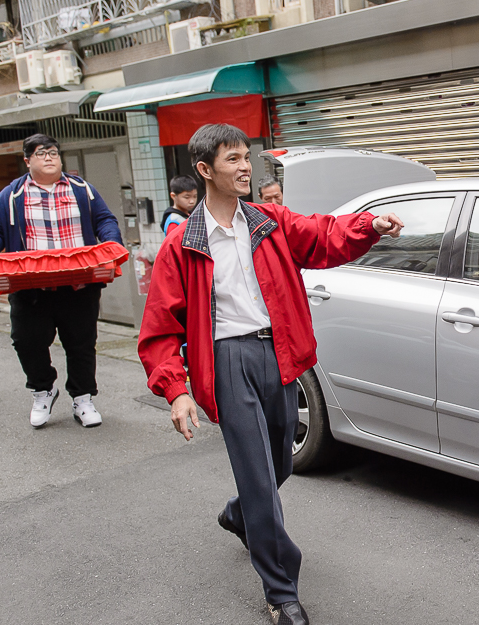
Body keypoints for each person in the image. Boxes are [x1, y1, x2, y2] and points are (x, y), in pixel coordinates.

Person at [138, 124, 403, 625]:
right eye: (233, 159)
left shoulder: (269, 221)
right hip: (227, 362)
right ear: (204, 169)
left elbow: (325, 235)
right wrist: (176, 390)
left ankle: (240, 515)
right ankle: (282, 591)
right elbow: (158, 329)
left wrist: (369, 225)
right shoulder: (183, 246)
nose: (244, 168)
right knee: (259, 476)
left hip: (279, 356)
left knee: (280, 462)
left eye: (247, 158)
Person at [0, 133, 122, 429]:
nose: (50, 157)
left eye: (53, 152)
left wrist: (111, 244)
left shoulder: (82, 189)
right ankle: (43, 390)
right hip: (31, 288)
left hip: (78, 285)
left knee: (81, 344)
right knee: (26, 342)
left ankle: (82, 398)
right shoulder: (12, 195)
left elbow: (105, 219)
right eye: (41, 153)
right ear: (27, 161)